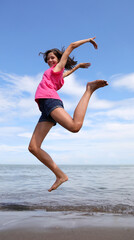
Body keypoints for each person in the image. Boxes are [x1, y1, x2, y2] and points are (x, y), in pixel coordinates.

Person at [28, 36, 108, 192]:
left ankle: (89, 89)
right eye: (48, 59)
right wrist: (77, 67)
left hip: (50, 102)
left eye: (53, 58)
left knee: (75, 126)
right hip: (45, 108)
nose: (50, 60)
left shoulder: (56, 69)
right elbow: (67, 73)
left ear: (59, 60)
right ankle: (60, 175)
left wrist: (88, 40)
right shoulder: (56, 74)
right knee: (33, 147)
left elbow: (71, 46)